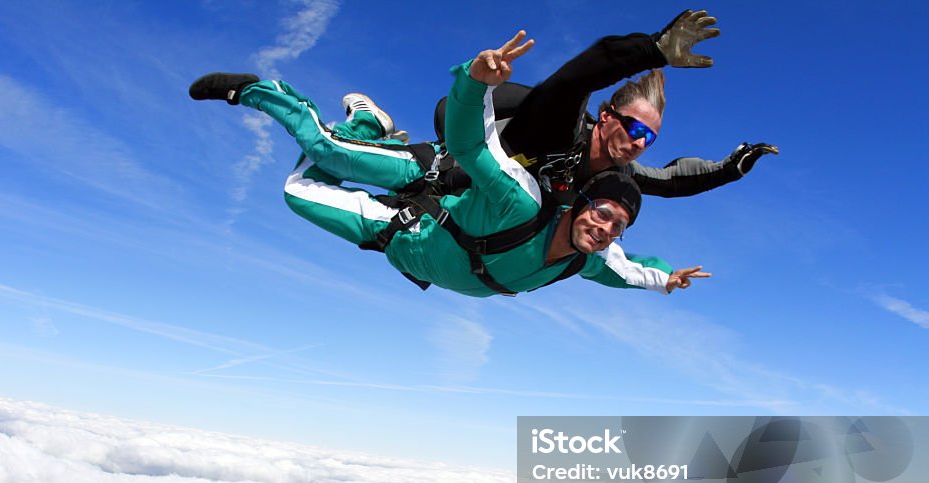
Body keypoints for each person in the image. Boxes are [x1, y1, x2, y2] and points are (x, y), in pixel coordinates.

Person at [188, 33, 710, 298]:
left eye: (617, 225)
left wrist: (666, 279)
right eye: (602, 214)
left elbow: (630, 271)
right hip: (433, 172)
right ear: (605, 116)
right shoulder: (526, 192)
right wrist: (476, 82)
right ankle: (266, 93)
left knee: (297, 191)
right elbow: (472, 142)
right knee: (322, 155)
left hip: (402, 245)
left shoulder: (585, 256)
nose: (605, 227)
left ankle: (368, 125)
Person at [429, 9, 778, 203]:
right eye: (637, 129)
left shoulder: (617, 172)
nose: (641, 143)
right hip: (446, 179)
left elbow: (670, 181)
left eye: (649, 139)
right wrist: (652, 51)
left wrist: (729, 170)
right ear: (607, 116)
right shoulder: (560, 127)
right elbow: (576, 79)